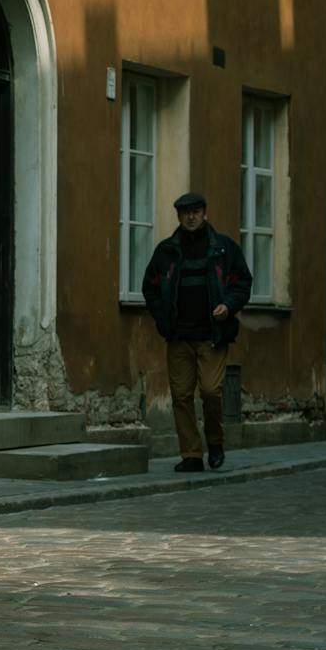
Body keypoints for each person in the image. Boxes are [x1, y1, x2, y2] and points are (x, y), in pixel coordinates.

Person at [141, 192, 253, 472]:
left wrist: (228, 306)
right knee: (180, 396)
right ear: (178, 216)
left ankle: (214, 442)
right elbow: (150, 287)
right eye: (185, 212)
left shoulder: (224, 249)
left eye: (196, 211)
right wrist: (162, 319)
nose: (191, 216)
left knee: (211, 391)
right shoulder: (166, 251)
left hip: (211, 336)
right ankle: (191, 454)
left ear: (204, 214)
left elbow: (242, 283)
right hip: (178, 336)